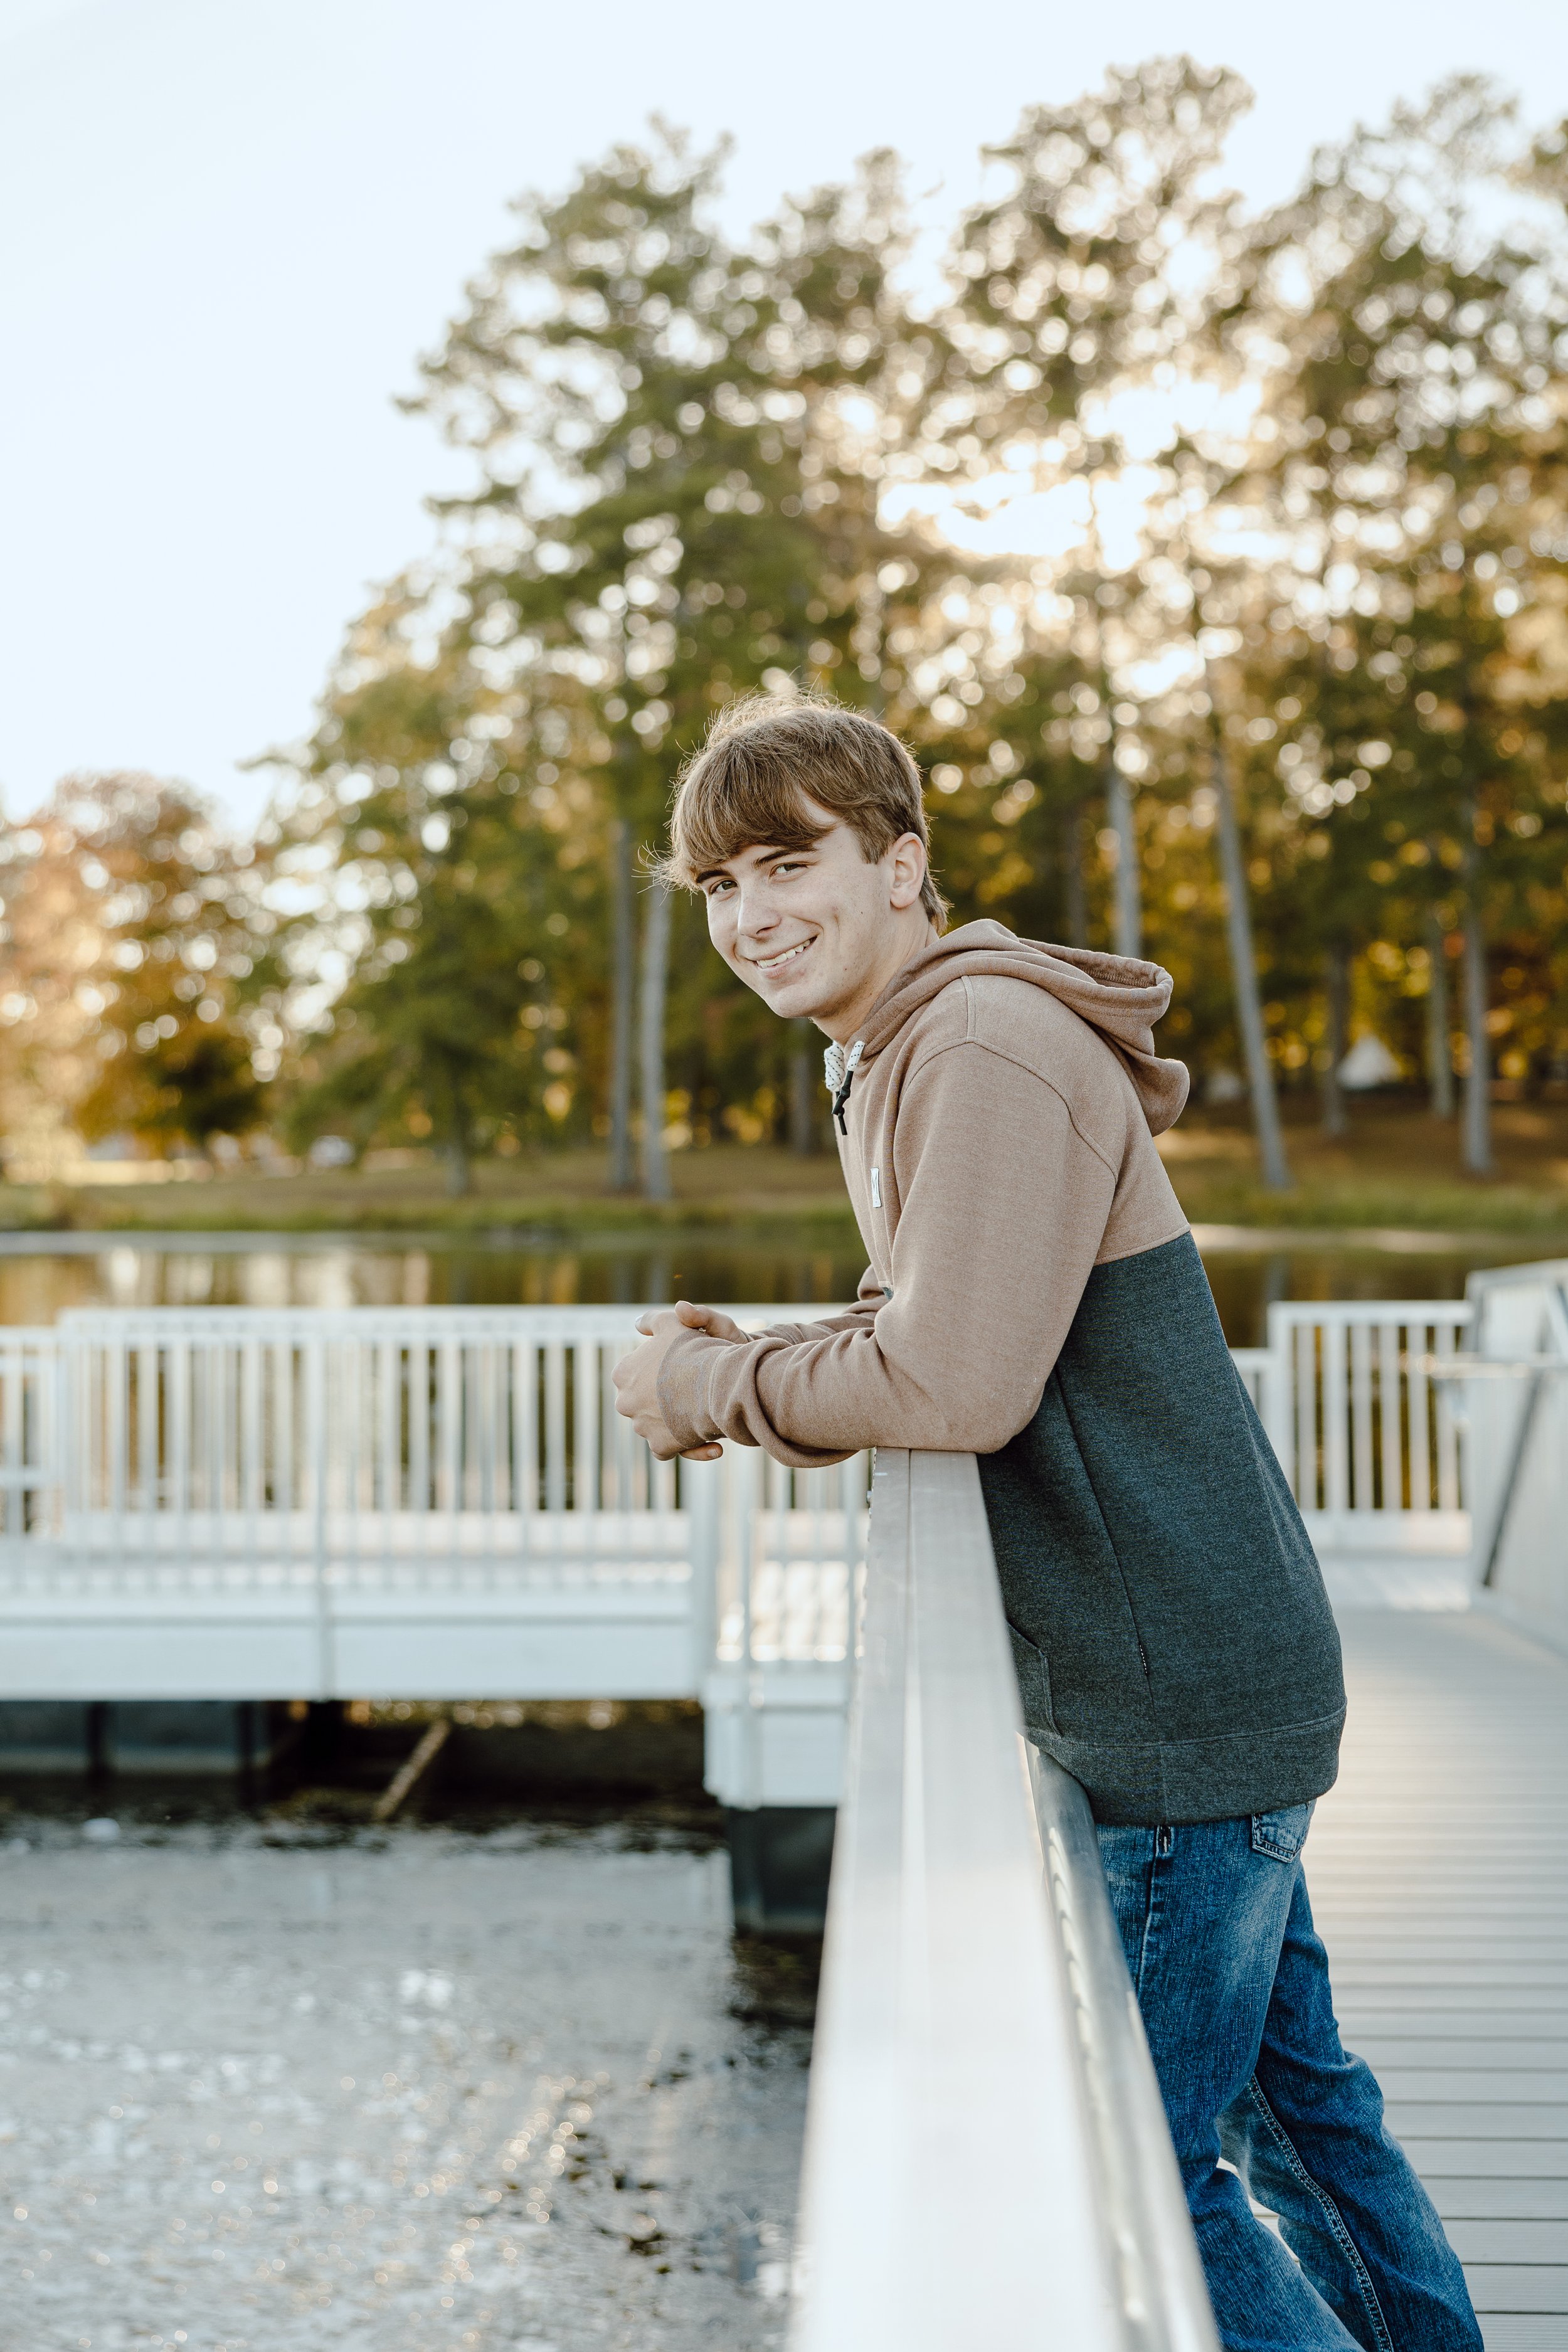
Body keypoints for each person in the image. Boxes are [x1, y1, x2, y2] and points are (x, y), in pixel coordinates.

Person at [612, 694, 1481, 2352]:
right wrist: (758, 1365)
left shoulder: (981, 1047)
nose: (750, 917)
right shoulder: (910, 1050)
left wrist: (705, 1389)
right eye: (719, 888)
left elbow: (948, 1386)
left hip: (1165, 1698)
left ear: (901, 864)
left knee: (1150, 2183)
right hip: (1196, 1664)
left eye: (788, 863)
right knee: (1305, 2117)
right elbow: (933, 1334)